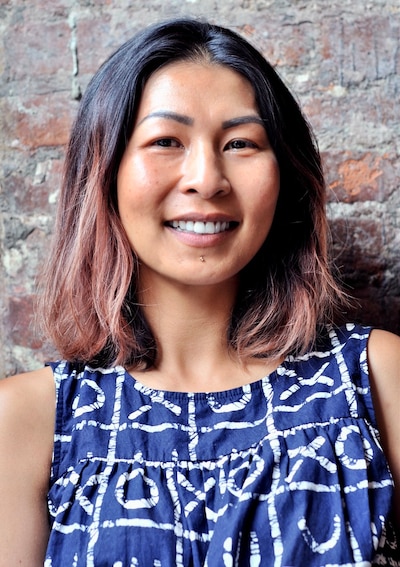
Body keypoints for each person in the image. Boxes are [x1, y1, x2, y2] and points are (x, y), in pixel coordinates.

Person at [0, 18, 399, 567]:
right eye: (166, 141)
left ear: (284, 175)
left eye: (240, 143)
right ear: (105, 172)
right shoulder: (28, 419)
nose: (206, 178)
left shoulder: (377, 379)